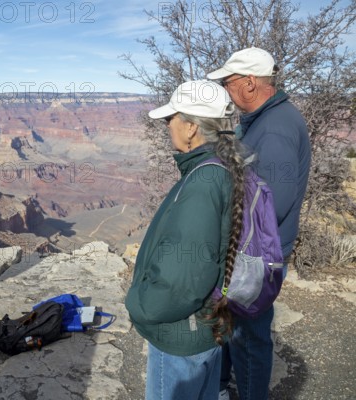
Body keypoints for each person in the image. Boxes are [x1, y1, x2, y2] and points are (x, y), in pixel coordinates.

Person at [125, 80, 248, 400]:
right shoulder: (218, 167)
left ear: (191, 127)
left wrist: (139, 305)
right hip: (205, 328)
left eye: (171, 118)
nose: (168, 125)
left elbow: (185, 276)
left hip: (182, 335)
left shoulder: (204, 181)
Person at [207, 47, 311, 400]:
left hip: (256, 255)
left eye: (228, 82)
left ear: (250, 83)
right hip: (248, 251)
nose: (226, 89)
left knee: (250, 337)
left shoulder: (276, 129)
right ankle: (220, 387)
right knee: (231, 325)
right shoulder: (262, 121)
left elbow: (270, 207)